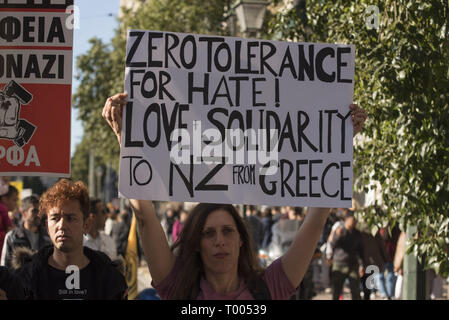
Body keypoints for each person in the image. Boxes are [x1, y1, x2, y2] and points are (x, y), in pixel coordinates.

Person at [102, 92, 367, 300]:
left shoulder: (269, 287)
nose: (219, 241)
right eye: (209, 233)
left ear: (241, 240)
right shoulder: (179, 288)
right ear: (195, 243)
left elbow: (316, 221)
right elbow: (145, 217)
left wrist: (339, 144)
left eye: (227, 231)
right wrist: (128, 142)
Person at [14, 179, 127, 300]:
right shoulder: (25, 279)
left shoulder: (109, 279)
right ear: (47, 226)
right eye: (55, 218)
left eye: (70, 218)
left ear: (86, 225)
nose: (61, 225)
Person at [1, 195, 52, 269]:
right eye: (34, 211)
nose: (38, 214)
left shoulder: (48, 236)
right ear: (23, 213)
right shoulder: (12, 237)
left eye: (40, 210)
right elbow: (5, 267)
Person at [330, 211, 364, 300]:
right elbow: (333, 244)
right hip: (339, 264)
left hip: (353, 264)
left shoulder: (357, 234)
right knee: (336, 291)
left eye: (356, 220)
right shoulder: (340, 231)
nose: (354, 222)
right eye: (353, 220)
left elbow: (360, 251)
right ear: (346, 220)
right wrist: (337, 236)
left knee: (356, 291)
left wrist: (361, 265)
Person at [0, 185, 18, 260]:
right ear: (4, 199)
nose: (16, 203)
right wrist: (9, 233)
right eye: (14, 200)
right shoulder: (2, 209)